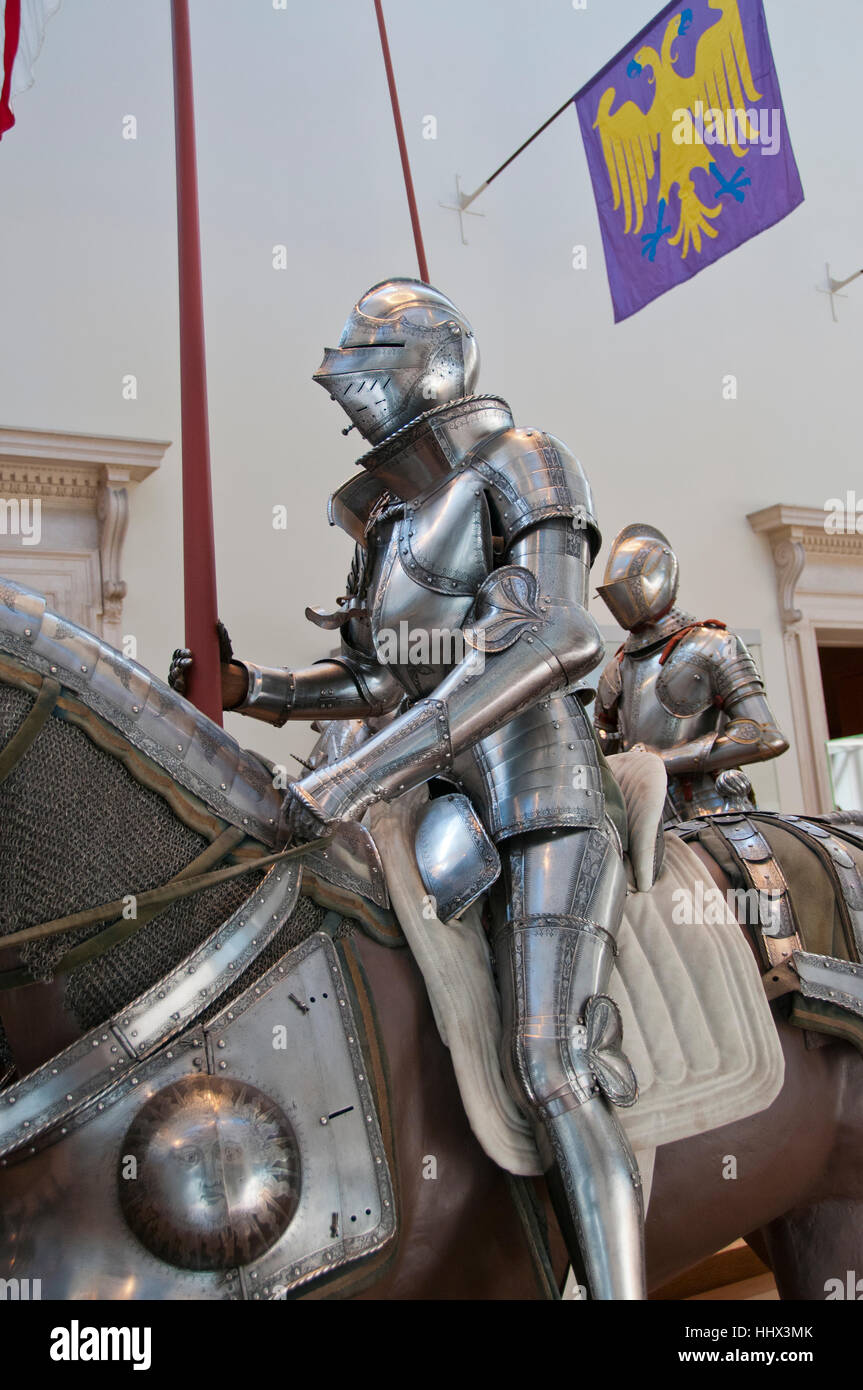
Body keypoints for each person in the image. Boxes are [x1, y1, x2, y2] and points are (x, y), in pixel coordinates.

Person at [171, 279, 645, 1298]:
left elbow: (556, 634)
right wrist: (257, 688)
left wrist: (358, 771)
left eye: (363, 376)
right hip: (438, 818)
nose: (346, 402)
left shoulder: (523, 463)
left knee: (546, 1063)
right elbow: (385, 678)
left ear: (421, 367)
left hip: (539, 801)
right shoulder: (391, 524)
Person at [594, 523, 788, 822]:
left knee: (742, 868)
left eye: (623, 589)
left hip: (710, 806)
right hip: (636, 812)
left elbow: (762, 735)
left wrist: (661, 760)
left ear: (656, 579)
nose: (618, 602)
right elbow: (604, 748)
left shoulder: (712, 645)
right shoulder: (615, 668)